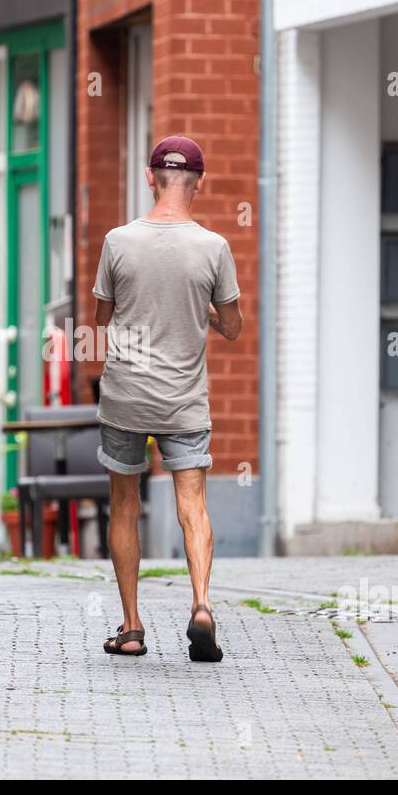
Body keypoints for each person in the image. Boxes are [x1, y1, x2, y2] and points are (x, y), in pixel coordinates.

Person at [92, 136, 242, 661]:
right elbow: (232, 329)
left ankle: (132, 628)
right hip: (182, 399)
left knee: (125, 505)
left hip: (126, 395)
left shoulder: (117, 241)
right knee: (192, 506)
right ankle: (201, 604)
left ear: (149, 177)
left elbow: (101, 322)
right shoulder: (213, 247)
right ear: (199, 182)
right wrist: (201, 309)